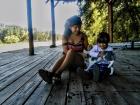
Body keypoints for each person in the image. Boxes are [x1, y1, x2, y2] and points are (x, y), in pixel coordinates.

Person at [38, 15, 89, 84]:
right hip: (67, 62)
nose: (78, 29)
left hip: (79, 61)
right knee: (67, 54)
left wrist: (90, 47)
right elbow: (65, 51)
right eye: (75, 27)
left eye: (79, 26)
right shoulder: (65, 36)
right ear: (70, 27)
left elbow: (87, 48)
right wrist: (72, 54)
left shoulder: (83, 36)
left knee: (70, 52)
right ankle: (50, 73)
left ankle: (58, 73)